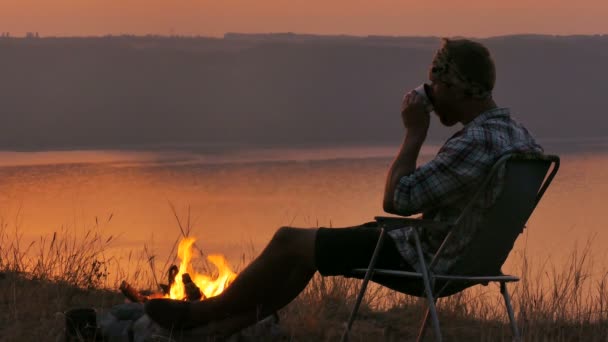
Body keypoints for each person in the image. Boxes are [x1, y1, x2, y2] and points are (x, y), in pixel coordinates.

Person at [144, 38, 543, 333]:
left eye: (434, 87)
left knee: (288, 241)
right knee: (309, 250)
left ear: (456, 87)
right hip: (471, 260)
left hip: (425, 258)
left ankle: (199, 316)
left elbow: (398, 200)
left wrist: (414, 133)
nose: (431, 97)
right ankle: (216, 331)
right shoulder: (519, 138)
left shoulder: (476, 142)